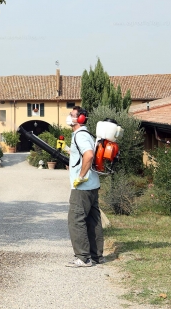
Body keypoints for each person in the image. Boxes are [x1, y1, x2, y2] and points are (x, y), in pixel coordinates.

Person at [65, 106, 104, 267]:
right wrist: (67, 150)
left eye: (71, 115)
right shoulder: (86, 134)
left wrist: (80, 177)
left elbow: (88, 155)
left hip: (82, 188)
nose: (69, 117)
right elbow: (81, 156)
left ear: (79, 119)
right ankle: (96, 256)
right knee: (93, 220)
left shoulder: (80, 135)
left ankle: (83, 258)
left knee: (76, 220)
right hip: (93, 185)